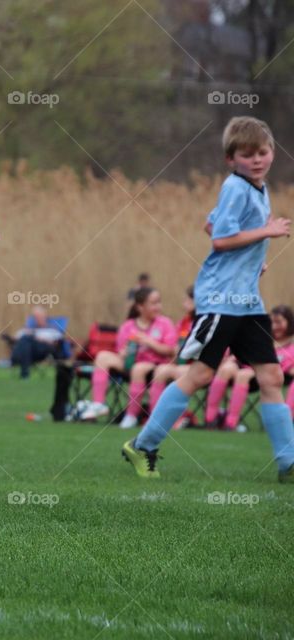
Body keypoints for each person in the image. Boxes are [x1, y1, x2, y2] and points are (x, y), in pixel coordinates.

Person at [122, 116, 294, 481]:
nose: (258, 159)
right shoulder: (236, 187)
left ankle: (288, 463)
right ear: (232, 159)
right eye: (248, 155)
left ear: (272, 153)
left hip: (246, 302)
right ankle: (142, 445)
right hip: (220, 300)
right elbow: (219, 240)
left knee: (272, 375)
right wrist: (267, 231)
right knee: (199, 375)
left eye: (262, 152)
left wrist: (251, 261)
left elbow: (211, 223)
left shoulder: (258, 188)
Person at [81, 287, 177, 427]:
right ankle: (99, 404)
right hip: (130, 363)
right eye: (153, 303)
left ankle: (131, 416)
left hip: (154, 364)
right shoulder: (128, 326)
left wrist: (148, 341)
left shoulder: (165, 323)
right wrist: (123, 352)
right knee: (102, 356)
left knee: (138, 369)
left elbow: (170, 350)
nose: (158, 307)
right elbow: (121, 349)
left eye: (159, 302)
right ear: (140, 307)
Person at [205, 305, 294, 431]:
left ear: (289, 323)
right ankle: (210, 419)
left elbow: (286, 368)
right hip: (246, 367)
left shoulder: (291, 346)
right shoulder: (263, 340)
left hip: (266, 378)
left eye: (279, 322)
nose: (274, 326)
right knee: (227, 368)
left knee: (244, 374)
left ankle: (231, 423)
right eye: (272, 322)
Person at [147, 286, 195, 417]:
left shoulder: (205, 321)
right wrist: (175, 350)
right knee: (161, 370)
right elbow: (174, 345)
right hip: (181, 363)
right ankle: (155, 416)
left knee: (179, 372)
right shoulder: (183, 322)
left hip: (200, 365)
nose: (183, 304)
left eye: (187, 300)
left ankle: (179, 416)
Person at [8, 306, 65, 379]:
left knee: (26, 340)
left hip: (41, 350)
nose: (37, 319)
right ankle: (24, 372)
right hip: (26, 351)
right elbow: (15, 339)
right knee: (25, 341)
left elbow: (57, 343)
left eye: (40, 317)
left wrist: (38, 339)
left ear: (45, 317)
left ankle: (22, 371)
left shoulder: (52, 330)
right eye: (36, 317)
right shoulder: (26, 330)